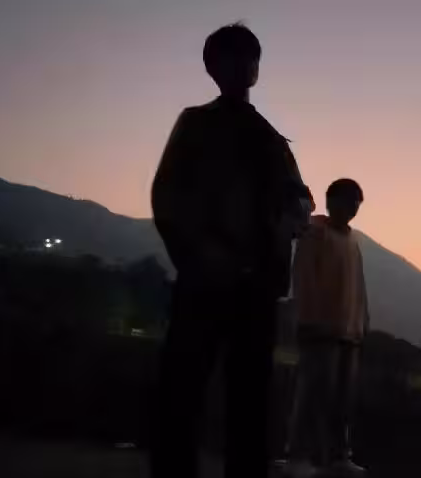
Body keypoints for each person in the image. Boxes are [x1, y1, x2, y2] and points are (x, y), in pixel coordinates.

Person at [149, 23, 312, 478]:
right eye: (231, 57)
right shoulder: (196, 123)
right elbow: (167, 195)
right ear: (212, 66)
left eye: (250, 58)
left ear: (257, 68)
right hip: (204, 279)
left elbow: (300, 199)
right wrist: (201, 253)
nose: (243, 66)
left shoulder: (273, 139)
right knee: (182, 391)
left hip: (256, 286)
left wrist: (293, 216)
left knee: (251, 399)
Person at [283, 179, 369, 478]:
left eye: (356, 203)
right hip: (320, 329)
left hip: (349, 332)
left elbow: (359, 287)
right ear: (331, 201)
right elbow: (304, 279)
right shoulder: (315, 234)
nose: (352, 208)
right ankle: (298, 455)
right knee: (312, 394)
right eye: (347, 201)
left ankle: (337, 455)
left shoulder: (352, 241)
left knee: (342, 400)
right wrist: (308, 319)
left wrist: (362, 323)